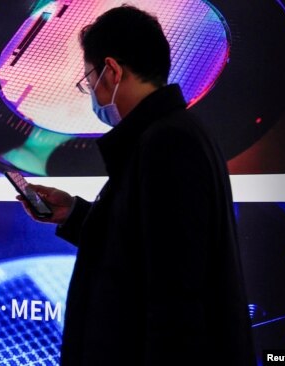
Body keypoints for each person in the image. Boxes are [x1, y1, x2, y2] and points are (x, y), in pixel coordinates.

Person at [17, 5, 255, 366]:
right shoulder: (168, 134)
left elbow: (175, 296)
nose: (91, 92)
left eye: (88, 79)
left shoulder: (167, 144)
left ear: (111, 71)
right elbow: (140, 244)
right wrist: (76, 214)